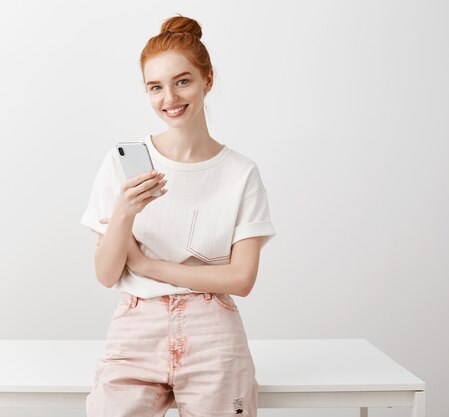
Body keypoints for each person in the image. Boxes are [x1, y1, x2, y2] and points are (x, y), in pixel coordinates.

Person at [80, 14, 276, 417]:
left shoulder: (241, 173)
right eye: (156, 86)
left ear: (208, 80)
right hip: (136, 327)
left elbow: (241, 279)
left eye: (182, 81)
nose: (169, 98)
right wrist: (124, 213)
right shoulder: (122, 165)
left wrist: (147, 264)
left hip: (213, 329)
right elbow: (105, 274)